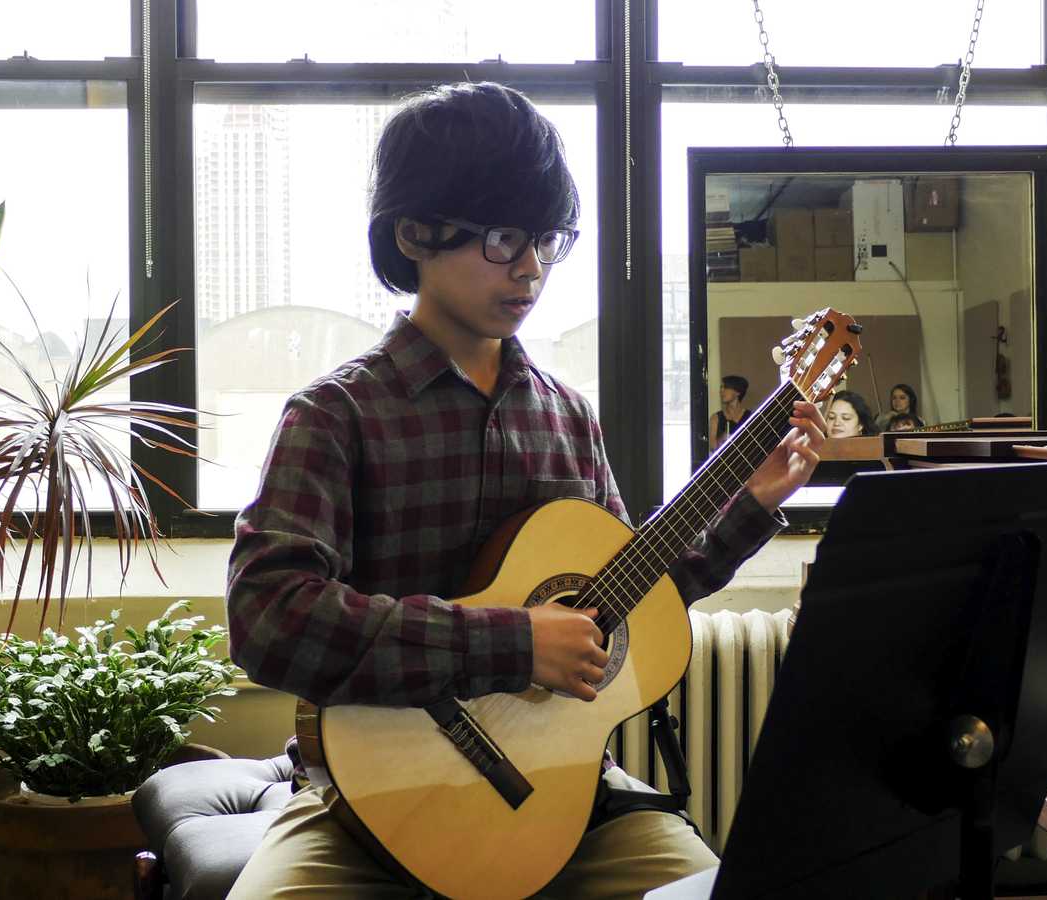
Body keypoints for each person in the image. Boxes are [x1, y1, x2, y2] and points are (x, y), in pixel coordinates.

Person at [224, 82, 827, 900]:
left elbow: (626, 601)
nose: (532, 268)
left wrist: (750, 506)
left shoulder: (567, 417)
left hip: (564, 796)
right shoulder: (335, 415)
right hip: (360, 805)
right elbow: (268, 617)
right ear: (415, 232)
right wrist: (511, 643)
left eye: (546, 238)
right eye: (504, 237)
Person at [710, 374, 750, 451]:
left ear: (738, 392)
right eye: (721, 388)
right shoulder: (716, 418)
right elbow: (712, 447)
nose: (721, 391)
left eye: (726, 387)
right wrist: (722, 439)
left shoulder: (750, 417)